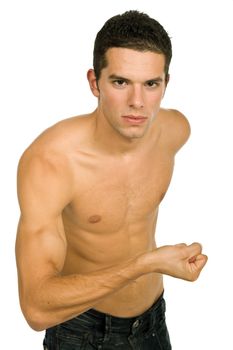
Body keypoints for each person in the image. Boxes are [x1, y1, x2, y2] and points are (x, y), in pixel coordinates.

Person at [15, 10, 208, 350]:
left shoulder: (175, 130)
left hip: (153, 324)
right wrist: (145, 264)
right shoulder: (52, 162)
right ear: (95, 83)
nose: (138, 102)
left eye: (151, 84)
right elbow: (36, 308)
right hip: (83, 333)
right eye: (120, 82)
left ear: (166, 84)